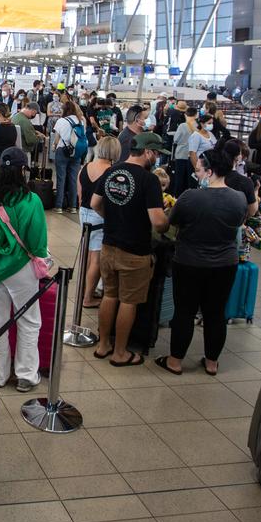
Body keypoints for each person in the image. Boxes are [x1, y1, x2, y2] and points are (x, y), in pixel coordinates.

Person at [155, 149, 247, 377]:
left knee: (184, 312)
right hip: (225, 264)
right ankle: (212, 362)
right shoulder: (239, 199)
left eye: (200, 169)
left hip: (189, 262)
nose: (197, 174)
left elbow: (168, 224)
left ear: (210, 171)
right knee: (215, 313)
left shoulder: (190, 197)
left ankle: (175, 361)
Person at [90, 132, 170, 366]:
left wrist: (113, 218)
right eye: (156, 153)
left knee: (109, 295)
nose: (156, 158)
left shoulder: (111, 171)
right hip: (135, 250)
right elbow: (157, 222)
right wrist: (168, 219)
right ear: (147, 152)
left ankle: (103, 345)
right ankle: (120, 353)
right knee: (129, 300)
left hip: (108, 244)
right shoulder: (149, 180)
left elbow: (95, 203)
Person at [0, 147, 48, 393]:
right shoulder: (31, 201)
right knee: (28, 320)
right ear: (21, 170)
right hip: (20, 269)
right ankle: (26, 376)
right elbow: (38, 243)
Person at [78, 137, 120, 309]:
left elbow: (79, 196)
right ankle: (88, 297)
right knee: (96, 258)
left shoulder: (85, 167)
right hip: (99, 215)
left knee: (87, 255)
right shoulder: (111, 172)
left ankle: (84, 290)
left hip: (84, 213)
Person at [52, 99, 87, 212]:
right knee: (73, 179)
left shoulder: (61, 121)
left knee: (61, 178)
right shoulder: (81, 121)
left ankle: (59, 206)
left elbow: (57, 139)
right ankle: (72, 206)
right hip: (76, 152)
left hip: (63, 151)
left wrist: (54, 146)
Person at [170, 106, 199, 196]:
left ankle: (177, 198)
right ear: (196, 115)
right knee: (190, 179)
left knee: (179, 179)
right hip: (193, 156)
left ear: (186, 114)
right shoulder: (198, 126)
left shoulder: (182, 125)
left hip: (181, 155)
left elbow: (176, 139)